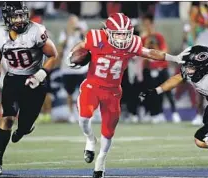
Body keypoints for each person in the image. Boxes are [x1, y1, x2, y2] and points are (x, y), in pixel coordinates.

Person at [67, 13, 191, 178]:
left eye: (125, 34)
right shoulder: (96, 37)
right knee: (83, 118)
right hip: (93, 86)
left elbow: (151, 52)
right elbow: (81, 46)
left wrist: (174, 58)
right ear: (108, 31)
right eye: (118, 33)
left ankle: (100, 163)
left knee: (108, 132)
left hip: (113, 91)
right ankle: (90, 140)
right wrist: (71, 55)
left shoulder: (131, 43)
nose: (122, 38)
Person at [139, 45, 208, 177]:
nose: (187, 70)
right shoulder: (195, 71)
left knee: (201, 139)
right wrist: (156, 91)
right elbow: (178, 78)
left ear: (203, 67)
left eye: (191, 67)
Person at [0, 2, 58, 175]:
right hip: (13, 79)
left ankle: (23, 130)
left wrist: (40, 75)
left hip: (35, 81)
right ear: (6, 18)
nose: (20, 20)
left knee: (25, 124)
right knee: (7, 118)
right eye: (15, 16)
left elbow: (53, 55)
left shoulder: (36, 31)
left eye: (22, 15)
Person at [57, 14, 88, 123]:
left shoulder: (82, 33)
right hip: (67, 69)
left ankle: (82, 113)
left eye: (75, 22)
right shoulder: (64, 33)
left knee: (83, 93)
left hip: (81, 68)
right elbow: (60, 50)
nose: (73, 24)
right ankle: (71, 114)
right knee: (69, 93)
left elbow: (89, 46)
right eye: (71, 22)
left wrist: (82, 32)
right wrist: (68, 36)